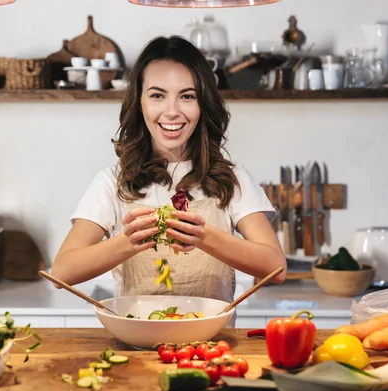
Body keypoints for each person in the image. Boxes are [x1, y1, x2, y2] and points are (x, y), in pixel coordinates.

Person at [52, 35, 287, 312]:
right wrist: (129, 243)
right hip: (137, 344)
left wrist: (205, 237)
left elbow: (277, 268)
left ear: (203, 105)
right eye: (157, 95)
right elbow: (61, 272)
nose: (172, 112)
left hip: (210, 347)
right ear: (139, 103)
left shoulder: (231, 179)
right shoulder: (112, 182)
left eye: (187, 96)